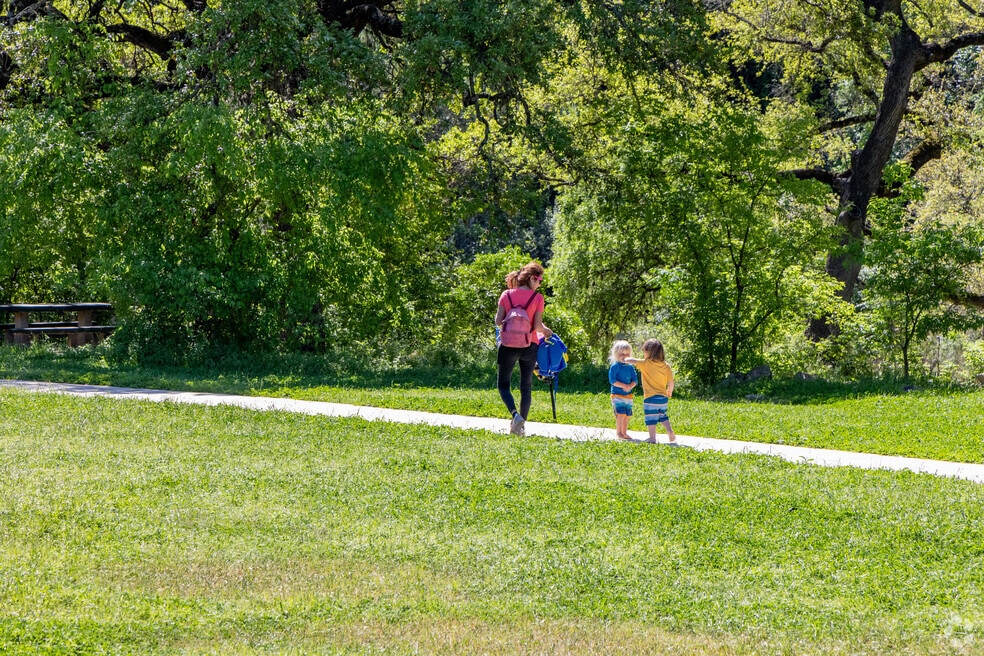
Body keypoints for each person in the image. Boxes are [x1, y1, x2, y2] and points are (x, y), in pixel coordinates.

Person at [494, 262, 553, 436]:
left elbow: (498, 321)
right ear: (532, 278)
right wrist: (547, 331)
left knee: (503, 385)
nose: (540, 285)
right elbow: (536, 325)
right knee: (526, 386)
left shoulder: (506, 295)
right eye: (539, 281)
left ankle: (515, 415)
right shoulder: (538, 298)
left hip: (508, 345)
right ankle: (521, 427)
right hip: (530, 345)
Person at [626, 338, 678, 445]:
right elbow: (671, 382)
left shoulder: (646, 363)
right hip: (663, 398)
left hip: (650, 398)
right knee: (662, 415)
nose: (643, 353)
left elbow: (633, 360)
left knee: (651, 419)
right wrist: (669, 391)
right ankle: (669, 430)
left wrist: (625, 359)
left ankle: (652, 438)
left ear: (649, 352)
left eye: (644, 351)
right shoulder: (666, 366)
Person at [608, 340, 638, 440]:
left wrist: (630, 386)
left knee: (626, 415)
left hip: (628, 395)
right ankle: (619, 433)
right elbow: (613, 380)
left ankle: (624, 433)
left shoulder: (630, 367)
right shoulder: (615, 366)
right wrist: (624, 385)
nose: (624, 356)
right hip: (617, 394)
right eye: (622, 354)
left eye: (627, 353)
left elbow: (635, 380)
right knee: (620, 414)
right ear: (616, 354)